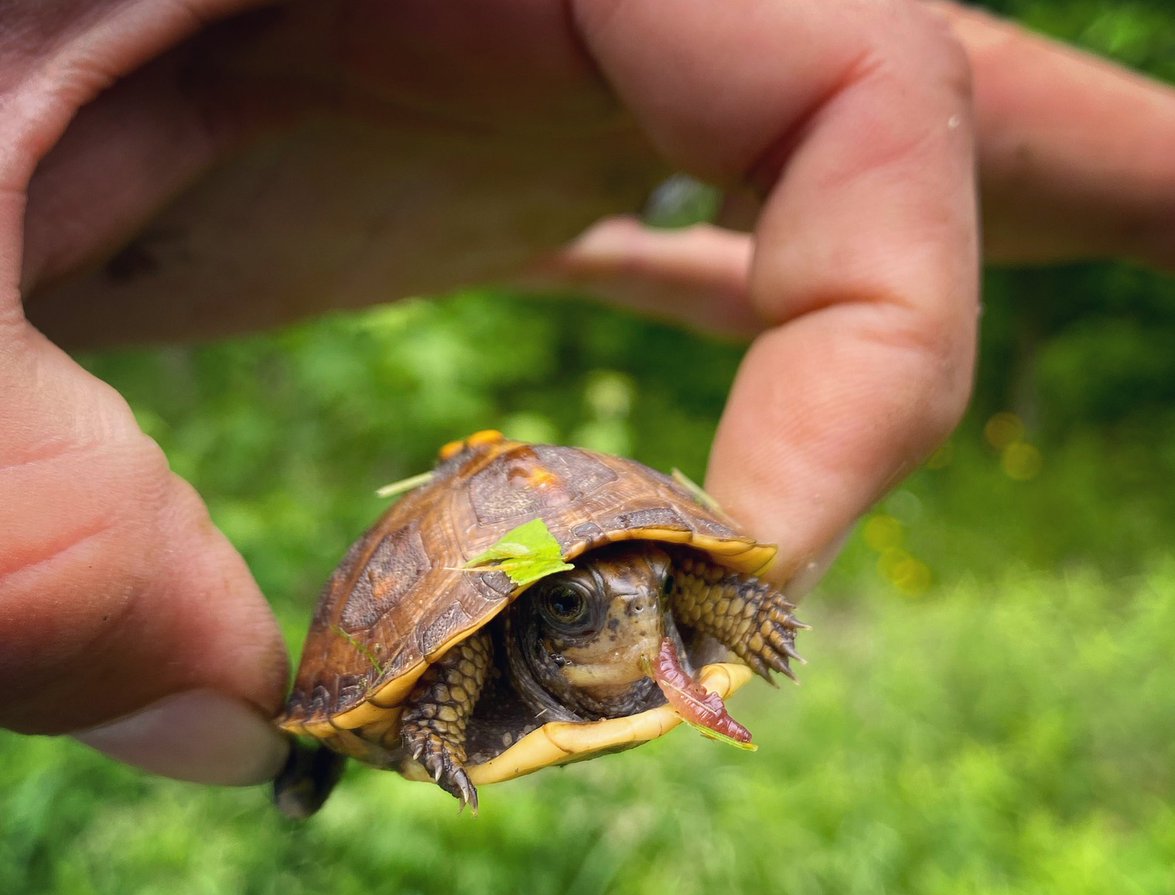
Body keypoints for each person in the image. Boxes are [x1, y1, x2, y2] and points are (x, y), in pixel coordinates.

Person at [3, 0, 1173, 788]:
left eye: (636, 595)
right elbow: (464, 638)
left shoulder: (646, 591)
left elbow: (683, 573)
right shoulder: (489, 628)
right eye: (579, 608)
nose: (619, 613)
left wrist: (724, 602)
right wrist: (430, 713)